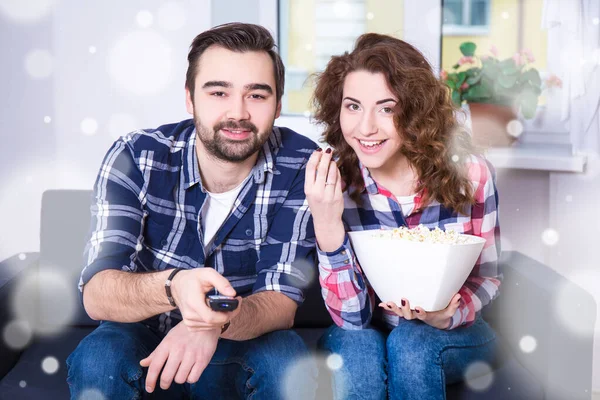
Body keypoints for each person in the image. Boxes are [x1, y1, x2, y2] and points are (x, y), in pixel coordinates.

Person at [67, 23, 319, 400]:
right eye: (219, 92)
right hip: (145, 335)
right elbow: (98, 291)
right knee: (100, 357)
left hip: (242, 337)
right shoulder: (136, 156)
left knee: (287, 358)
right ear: (190, 99)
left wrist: (210, 324)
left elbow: (280, 302)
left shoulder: (301, 165)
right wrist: (174, 287)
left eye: (257, 95)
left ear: (278, 105)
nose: (238, 113)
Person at [304, 33, 501, 400]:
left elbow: (487, 278)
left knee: (412, 340)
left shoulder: (471, 175)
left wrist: (447, 317)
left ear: (414, 111)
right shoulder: (334, 185)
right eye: (353, 106)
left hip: (453, 332)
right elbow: (351, 320)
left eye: (386, 108)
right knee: (359, 347)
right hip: (368, 330)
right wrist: (328, 224)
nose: (365, 128)